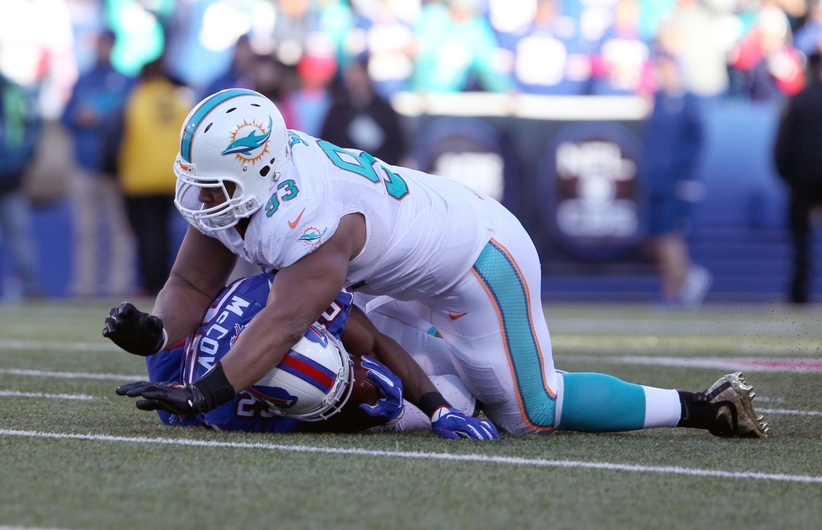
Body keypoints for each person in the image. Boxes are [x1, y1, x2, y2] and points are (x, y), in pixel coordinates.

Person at [103, 87, 767, 440]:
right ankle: (456, 387)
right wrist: (159, 334)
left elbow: (279, 321)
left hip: (473, 257)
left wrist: (202, 392)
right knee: (390, 378)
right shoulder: (253, 189)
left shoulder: (306, 213)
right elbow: (192, 280)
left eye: (214, 183)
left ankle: (699, 406)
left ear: (260, 169)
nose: (199, 197)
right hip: (394, 268)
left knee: (532, 410)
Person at [109, 271, 493, 439]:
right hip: (286, 398)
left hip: (363, 318)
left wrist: (155, 335)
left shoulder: (278, 294)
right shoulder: (225, 416)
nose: (361, 381)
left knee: (447, 361)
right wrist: (362, 415)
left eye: (351, 377)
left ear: (322, 332)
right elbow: (316, 412)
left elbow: (373, 342)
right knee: (463, 396)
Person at [774, 29, 822, 304]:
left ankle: (799, 293)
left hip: (803, 180)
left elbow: (782, 146)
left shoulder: (799, 100)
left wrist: (788, 176)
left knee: (801, 243)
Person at [61, 30, 136, 298]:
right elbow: (66, 118)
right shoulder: (84, 80)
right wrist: (80, 118)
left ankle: (119, 286)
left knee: (120, 230)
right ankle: (85, 286)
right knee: (86, 230)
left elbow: (132, 118)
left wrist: (101, 118)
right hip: (84, 165)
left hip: (117, 165)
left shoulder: (126, 81)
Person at [114, 58, 193, 296]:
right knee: (164, 232)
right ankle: (164, 280)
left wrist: (110, 168)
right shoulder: (180, 99)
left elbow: (116, 136)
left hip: (139, 178)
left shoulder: (135, 99)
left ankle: (151, 283)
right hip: (173, 176)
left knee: (145, 235)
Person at [640, 50, 712, 307]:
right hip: (655, 179)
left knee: (669, 234)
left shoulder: (688, 103)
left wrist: (685, 176)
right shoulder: (657, 100)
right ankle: (682, 280)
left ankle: (678, 285)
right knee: (655, 236)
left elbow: (697, 142)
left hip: (675, 180)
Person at [0, 72, 42, 300]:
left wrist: (21, 160)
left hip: (10, 178)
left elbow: (33, 128)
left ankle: (30, 287)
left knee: (20, 237)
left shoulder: (15, 91)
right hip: (11, 173)